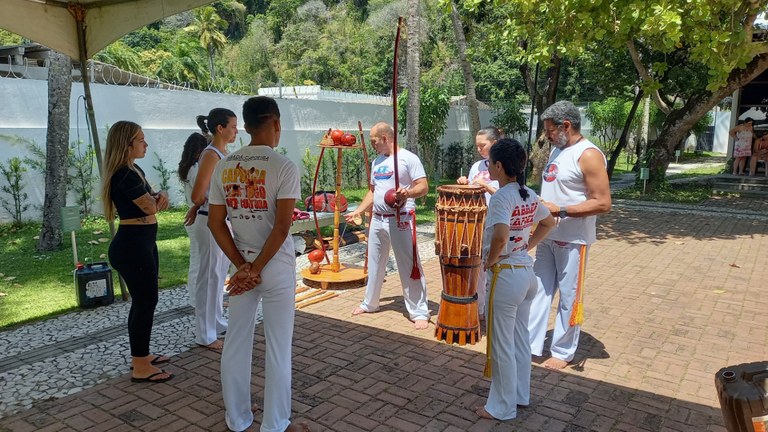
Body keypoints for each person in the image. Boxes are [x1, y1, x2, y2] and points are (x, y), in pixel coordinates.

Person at [208, 96, 309, 432]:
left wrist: (243, 266)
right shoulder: (283, 166)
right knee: (278, 347)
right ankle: (275, 424)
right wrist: (257, 267)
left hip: (243, 267)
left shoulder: (225, 165)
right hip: (275, 266)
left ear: (246, 126)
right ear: (276, 123)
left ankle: (237, 419)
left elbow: (215, 223)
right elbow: (282, 228)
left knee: (236, 341)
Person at [474, 139, 555, 421]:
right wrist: (527, 246)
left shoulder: (501, 197)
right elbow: (549, 222)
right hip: (525, 274)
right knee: (520, 340)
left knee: (502, 344)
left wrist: (492, 259)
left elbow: (499, 235)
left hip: (506, 275)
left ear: (498, 165)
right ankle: (520, 395)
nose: (488, 168)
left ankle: (501, 406)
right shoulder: (528, 194)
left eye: (489, 164)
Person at [528, 101, 612, 370]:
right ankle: (529, 343)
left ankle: (563, 351)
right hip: (548, 235)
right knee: (537, 290)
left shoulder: (588, 154)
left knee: (569, 296)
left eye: (551, 131)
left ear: (566, 125)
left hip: (574, 239)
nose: (548, 136)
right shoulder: (557, 151)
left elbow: (603, 202)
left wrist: (561, 210)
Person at [101, 121, 173, 383]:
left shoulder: (134, 169)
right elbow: (150, 206)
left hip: (142, 243)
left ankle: (141, 356)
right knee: (145, 302)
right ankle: (140, 366)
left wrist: (160, 195)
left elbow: (155, 197)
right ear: (127, 144)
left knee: (146, 301)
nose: (146, 144)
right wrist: (157, 199)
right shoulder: (124, 174)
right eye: (141, 140)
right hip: (131, 246)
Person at [344, 122, 430, 329]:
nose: (372, 144)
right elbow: (373, 192)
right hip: (378, 218)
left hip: (400, 218)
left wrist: (407, 193)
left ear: (384, 138)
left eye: (373, 140)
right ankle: (370, 303)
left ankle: (418, 311)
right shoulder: (377, 162)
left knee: (409, 264)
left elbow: (424, 187)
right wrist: (359, 210)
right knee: (374, 263)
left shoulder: (408, 159)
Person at [185, 108, 238, 353]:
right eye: (233, 126)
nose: (236, 130)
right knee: (208, 277)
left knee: (217, 276)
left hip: (218, 220)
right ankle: (204, 333)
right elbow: (198, 194)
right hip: (209, 221)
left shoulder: (220, 153)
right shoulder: (210, 155)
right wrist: (199, 206)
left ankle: (216, 322)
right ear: (220, 128)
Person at [457, 126, 502, 319]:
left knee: (496, 264)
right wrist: (465, 183)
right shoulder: (477, 166)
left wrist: (486, 187)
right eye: (476, 146)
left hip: (498, 221)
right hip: (478, 221)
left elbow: (509, 195)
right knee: (480, 265)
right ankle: (480, 308)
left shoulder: (505, 164)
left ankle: (495, 308)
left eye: (482, 145)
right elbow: (472, 192)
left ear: (495, 143)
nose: (479, 149)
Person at [178, 132, 209, 308]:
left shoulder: (188, 167)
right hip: (198, 215)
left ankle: (198, 298)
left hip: (195, 215)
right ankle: (197, 300)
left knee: (197, 259)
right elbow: (202, 195)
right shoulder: (196, 169)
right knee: (198, 261)